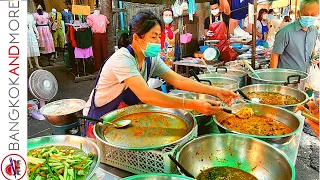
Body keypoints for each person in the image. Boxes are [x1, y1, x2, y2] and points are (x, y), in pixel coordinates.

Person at [83, 10, 239, 138]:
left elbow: (179, 81)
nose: (158, 41)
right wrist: (192, 104)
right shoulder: (122, 59)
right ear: (137, 38)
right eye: (153, 36)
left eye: (159, 36)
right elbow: (146, 95)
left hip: (125, 121)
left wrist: (216, 91)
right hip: (101, 122)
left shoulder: (151, 58)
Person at [270, 0, 319, 72]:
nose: (309, 17)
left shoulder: (314, 31)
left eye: (313, 14)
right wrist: (272, 78)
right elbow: (275, 55)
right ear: (299, 13)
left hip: (305, 76)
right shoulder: (285, 32)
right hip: (286, 79)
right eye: (306, 14)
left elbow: (311, 48)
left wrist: (314, 56)